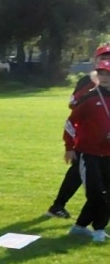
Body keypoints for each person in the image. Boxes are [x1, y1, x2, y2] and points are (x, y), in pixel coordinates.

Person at [66, 48, 110, 243]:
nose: (105, 77)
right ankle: (99, 229)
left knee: (106, 192)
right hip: (89, 152)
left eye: (108, 74)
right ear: (96, 75)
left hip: (108, 153)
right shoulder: (90, 98)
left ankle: (80, 226)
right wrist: (69, 147)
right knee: (95, 192)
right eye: (101, 74)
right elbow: (71, 122)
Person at [48, 70, 100, 219]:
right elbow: (73, 104)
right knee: (79, 172)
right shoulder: (87, 81)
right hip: (87, 137)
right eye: (103, 58)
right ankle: (60, 207)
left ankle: (59, 206)